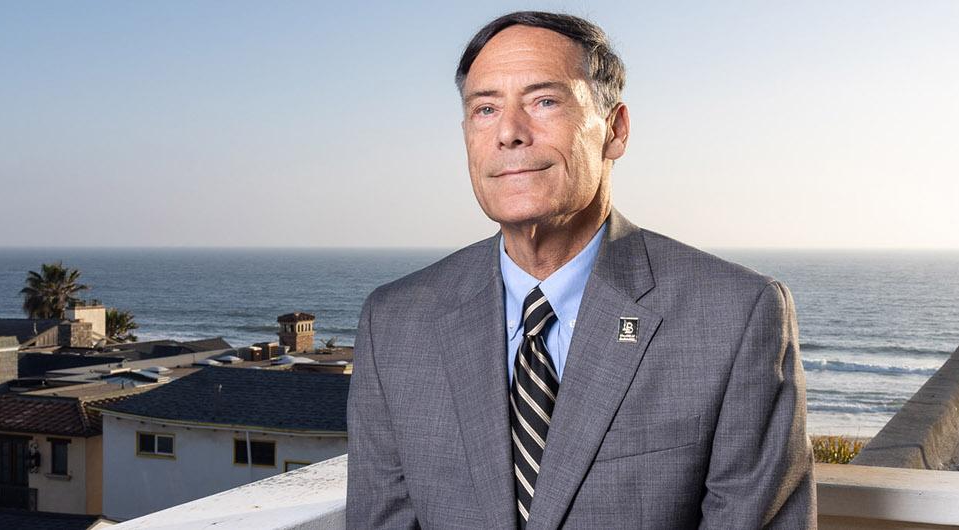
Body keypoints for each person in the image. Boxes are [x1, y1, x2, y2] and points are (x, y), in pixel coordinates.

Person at [346, 11, 816, 529]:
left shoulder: (734, 317)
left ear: (615, 130)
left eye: (544, 101)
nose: (509, 133)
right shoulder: (393, 325)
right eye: (485, 109)